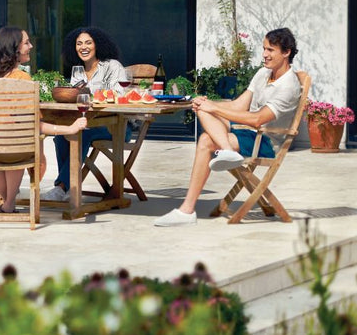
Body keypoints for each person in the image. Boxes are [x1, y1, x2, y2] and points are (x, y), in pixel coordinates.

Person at [155, 28, 302, 227]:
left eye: (271, 50)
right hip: (247, 132)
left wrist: (214, 107)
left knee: (207, 140)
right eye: (264, 49)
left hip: (266, 141)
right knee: (203, 110)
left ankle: (187, 210)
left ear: (286, 52)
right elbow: (238, 106)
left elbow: (258, 119)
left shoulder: (289, 86)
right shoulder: (263, 73)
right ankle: (226, 151)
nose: (264, 55)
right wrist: (207, 104)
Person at [0, 26, 87, 213]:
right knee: (18, 145)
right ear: (14, 48)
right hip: (15, 151)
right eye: (26, 42)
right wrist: (69, 129)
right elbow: (34, 125)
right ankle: (9, 203)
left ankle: (7, 204)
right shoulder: (22, 78)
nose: (31, 46)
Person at [48, 26, 129, 202]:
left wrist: (95, 97)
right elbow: (76, 100)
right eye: (79, 44)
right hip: (89, 123)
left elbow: (120, 95)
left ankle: (61, 186)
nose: (83, 47)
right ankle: (69, 187)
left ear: (97, 45)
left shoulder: (112, 66)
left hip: (116, 125)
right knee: (62, 134)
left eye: (88, 42)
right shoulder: (77, 72)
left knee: (81, 133)